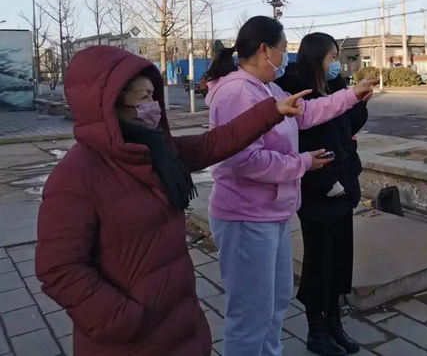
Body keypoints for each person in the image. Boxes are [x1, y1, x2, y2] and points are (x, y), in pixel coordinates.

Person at [35, 46, 311, 356]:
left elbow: (215, 142)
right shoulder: (76, 175)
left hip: (181, 323)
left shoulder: (158, 152)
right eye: (142, 98)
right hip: (130, 341)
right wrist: (124, 320)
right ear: (108, 105)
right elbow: (59, 268)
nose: (152, 107)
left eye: (153, 97)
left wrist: (272, 112)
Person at [204, 16, 377, 356]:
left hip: (273, 213)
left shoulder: (267, 88)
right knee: (251, 313)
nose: (286, 58)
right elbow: (245, 161)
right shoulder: (237, 93)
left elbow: (307, 112)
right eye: (283, 50)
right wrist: (303, 163)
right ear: (264, 50)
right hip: (246, 217)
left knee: (275, 303)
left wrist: (351, 95)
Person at [276, 33, 368, 356]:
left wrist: (359, 100)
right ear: (317, 57)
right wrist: (325, 182)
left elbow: (348, 125)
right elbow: (297, 142)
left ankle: (335, 324)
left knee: (340, 260)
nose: (336, 63)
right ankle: (316, 330)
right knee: (320, 262)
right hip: (318, 190)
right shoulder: (296, 90)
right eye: (332, 57)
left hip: (343, 186)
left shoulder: (334, 84)